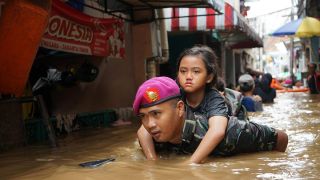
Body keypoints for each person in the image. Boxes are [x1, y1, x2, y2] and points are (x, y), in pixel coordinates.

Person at [134, 76, 288, 164]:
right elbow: (142, 132)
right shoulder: (153, 138)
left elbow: (281, 138)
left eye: (156, 114)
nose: (150, 124)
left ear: (180, 108)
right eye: (143, 116)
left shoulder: (230, 133)